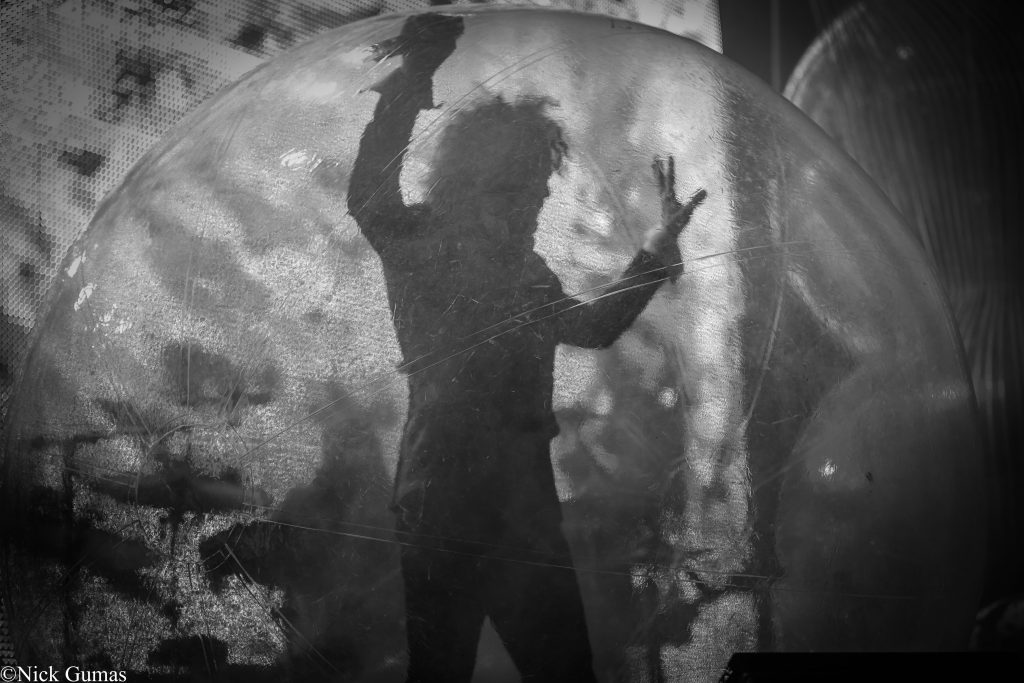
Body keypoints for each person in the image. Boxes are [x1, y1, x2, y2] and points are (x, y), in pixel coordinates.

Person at [347, 14, 706, 682]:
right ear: (475, 181)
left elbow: (592, 328)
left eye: (540, 192)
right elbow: (369, 193)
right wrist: (415, 76)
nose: (535, 206)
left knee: (562, 668)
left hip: (520, 510)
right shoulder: (422, 244)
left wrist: (658, 250)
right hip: (444, 506)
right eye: (521, 192)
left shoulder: (527, 273)